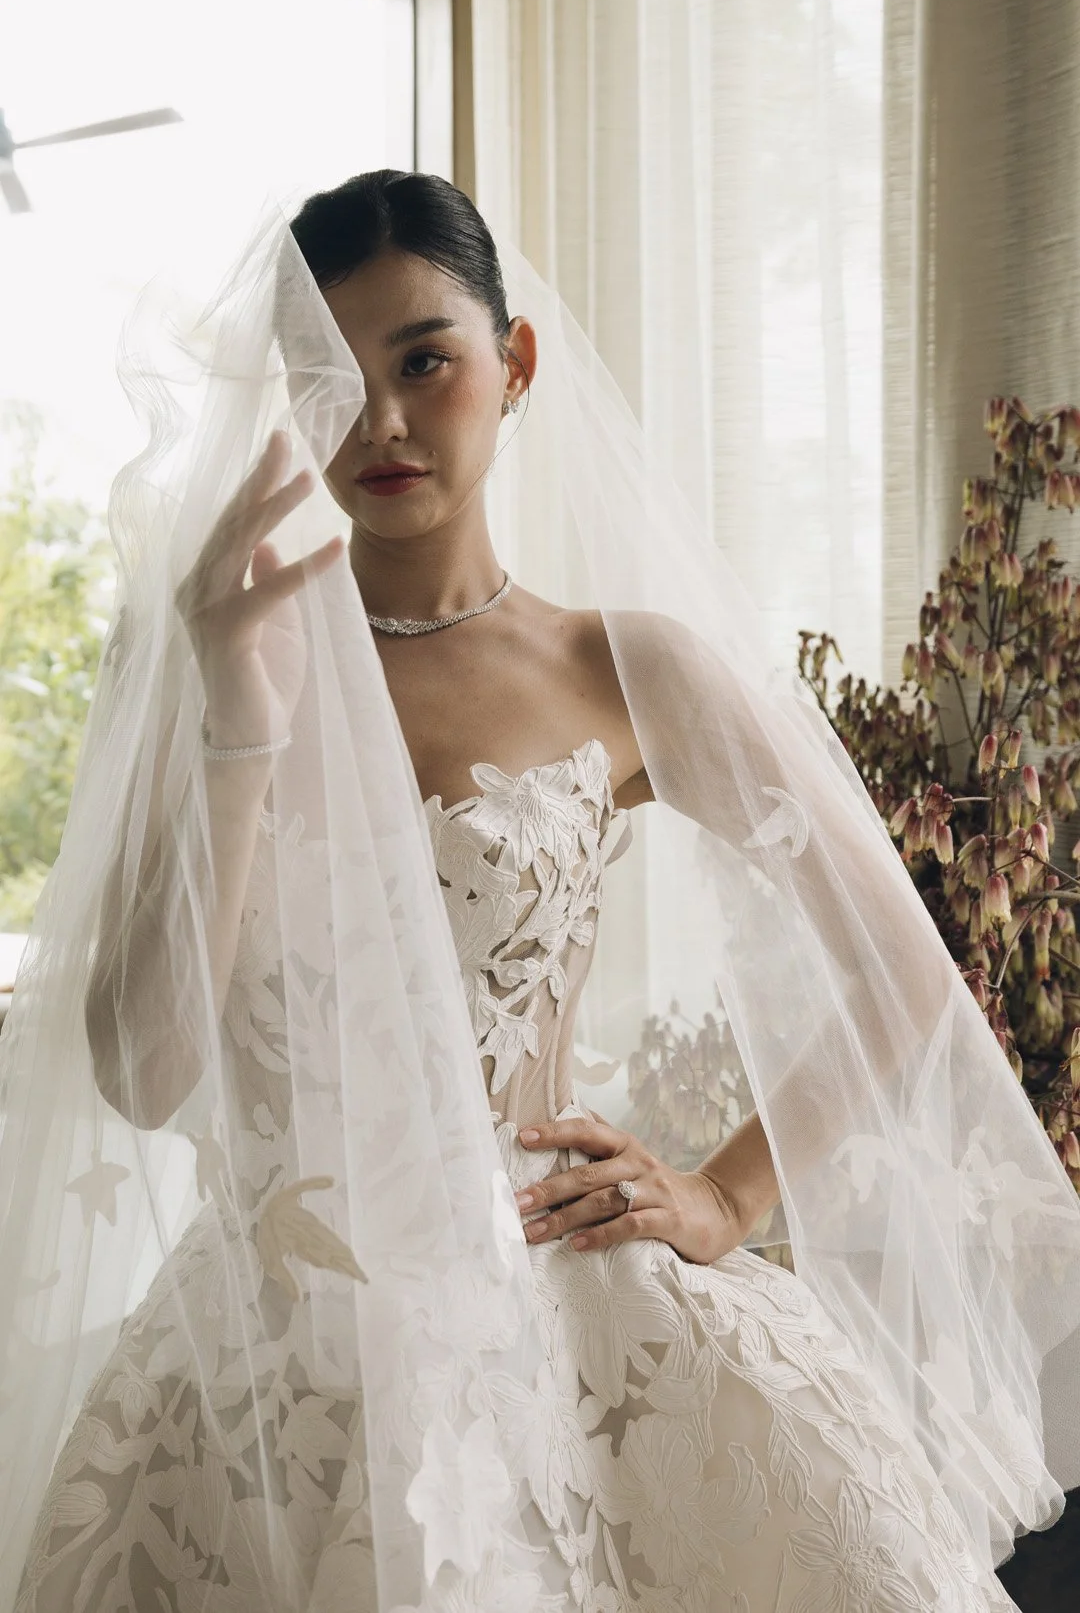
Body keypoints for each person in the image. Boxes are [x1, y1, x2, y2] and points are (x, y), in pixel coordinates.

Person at [4, 170, 1078, 1612]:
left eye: (424, 362)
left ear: (512, 367)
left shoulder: (618, 669)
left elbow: (902, 972)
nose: (378, 420)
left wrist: (719, 1194)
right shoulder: (222, 661)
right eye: (334, 377)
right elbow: (144, 1074)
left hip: (559, 1325)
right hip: (257, 1382)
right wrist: (238, 721)